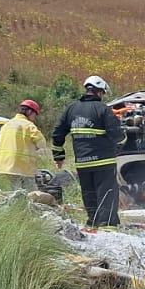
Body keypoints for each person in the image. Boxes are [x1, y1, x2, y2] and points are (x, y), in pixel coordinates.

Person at [52, 75, 126, 229]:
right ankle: (107, 225)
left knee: (89, 193)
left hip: (83, 162)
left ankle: (93, 221)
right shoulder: (103, 109)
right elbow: (117, 135)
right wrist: (121, 144)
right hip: (104, 161)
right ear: (99, 92)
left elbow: (57, 133)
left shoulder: (71, 109)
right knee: (107, 193)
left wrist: (58, 156)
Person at [0, 99, 53, 190]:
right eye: (35, 114)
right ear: (29, 112)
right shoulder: (28, 125)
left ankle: (16, 204)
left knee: (14, 190)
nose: (35, 118)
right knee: (31, 191)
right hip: (22, 166)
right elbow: (41, 143)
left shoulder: (6, 125)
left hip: (4, 165)